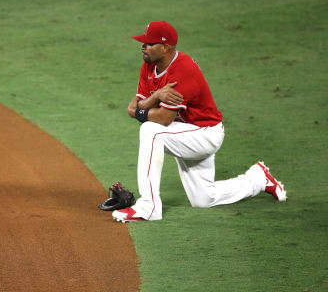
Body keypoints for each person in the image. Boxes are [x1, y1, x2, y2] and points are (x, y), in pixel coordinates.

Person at [112, 21, 287, 223]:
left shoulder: (183, 71)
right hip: (185, 132)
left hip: (206, 134)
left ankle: (148, 206)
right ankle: (258, 179)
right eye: (144, 42)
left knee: (151, 130)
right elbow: (133, 106)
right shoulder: (149, 65)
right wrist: (157, 96)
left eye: (150, 43)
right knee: (204, 198)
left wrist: (140, 110)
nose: (143, 46)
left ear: (165, 47)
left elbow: (163, 118)